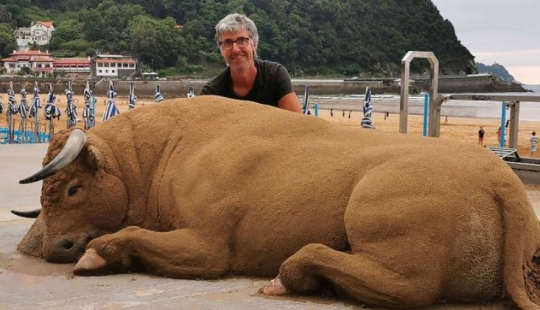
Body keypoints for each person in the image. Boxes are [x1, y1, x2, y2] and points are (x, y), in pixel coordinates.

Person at [200, 13, 301, 113]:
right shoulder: (211, 93)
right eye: (228, 43)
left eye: (242, 40)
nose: (235, 49)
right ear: (221, 50)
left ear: (254, 45)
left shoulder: (274, 76)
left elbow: (297, 123)